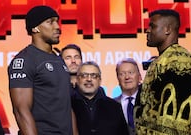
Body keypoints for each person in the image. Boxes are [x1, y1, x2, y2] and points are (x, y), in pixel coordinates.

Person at [134, 9, 191, 135]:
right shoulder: (164, 60)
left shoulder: (179, 61)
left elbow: (179, 117)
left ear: (167, 29)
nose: (147, 30)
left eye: (152, 26)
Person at [8, 5, 73, 135]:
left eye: (57, 21)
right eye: (50, 22)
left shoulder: (58, 59)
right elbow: (21, 110)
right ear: (35, 28)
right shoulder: (24, 61)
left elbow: (67, 107)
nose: (57, 27)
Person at [72, 61, 129, 135]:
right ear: (77, 79)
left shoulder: (114, 107)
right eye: (84, 75)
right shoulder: (68, 105)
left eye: (94, 76)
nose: (89, 79)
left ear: (100, 80)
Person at [114, 58, 142, 135]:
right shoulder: (111, 105)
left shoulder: (148, 102)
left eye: (130, 72)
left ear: (139, 77)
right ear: (118, 79)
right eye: (122, 74)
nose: (127, 77)